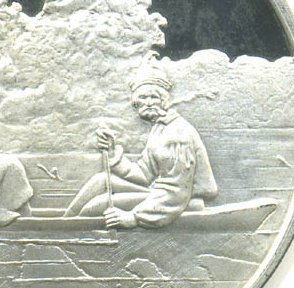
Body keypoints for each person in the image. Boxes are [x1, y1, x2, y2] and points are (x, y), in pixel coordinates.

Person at [64, 54, 217, 228]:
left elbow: (177, 191)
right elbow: (144, 175)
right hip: (161, 192)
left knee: (101, 203)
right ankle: (61, 224)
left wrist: (134, 217)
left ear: (164, 100)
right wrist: (113, 153)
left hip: (182, 201)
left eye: (154, 97)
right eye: (143, 98)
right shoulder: (160, 128)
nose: (149, 103)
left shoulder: (177, 134)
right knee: (100, 181)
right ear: (135, 102)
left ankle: (68, 231)